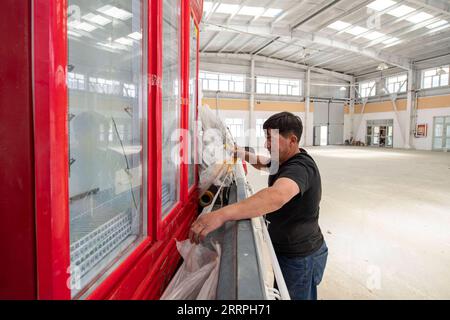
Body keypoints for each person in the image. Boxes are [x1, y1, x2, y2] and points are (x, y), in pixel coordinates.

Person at [189, 111, 327, 300]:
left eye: (271, 139)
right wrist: (238, 151)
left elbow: (275, 196)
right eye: (266, 138)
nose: (266, 144)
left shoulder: (300, 168)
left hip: (301, 257)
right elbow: (264, 163)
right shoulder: (284, 159)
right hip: (290, 252)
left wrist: (221, 214)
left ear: (292, 140)